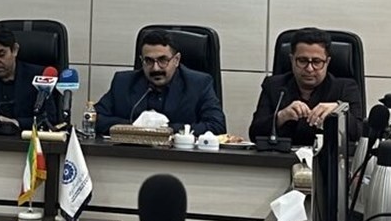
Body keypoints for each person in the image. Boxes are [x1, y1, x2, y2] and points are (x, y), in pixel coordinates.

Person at [95, 29, 226, 136]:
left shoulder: (198, 84)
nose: (155, 68)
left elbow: (217, 126)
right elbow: (94, 118)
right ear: (141, 60)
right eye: (149, 61)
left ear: (176, 60)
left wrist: (164, 129)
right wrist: (137, 127)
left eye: (163, 60)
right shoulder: (123, 83)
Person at [248, 27, 363, 145]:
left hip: (327, 156)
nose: (309, 69)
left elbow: (359, 134)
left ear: (327, 62)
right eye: (302, 61)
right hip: (282, 156)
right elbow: (254, 134)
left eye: (316, 62)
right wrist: (281, 117)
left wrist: (339, 113)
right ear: (292, 60)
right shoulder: (274, 86)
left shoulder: (345, 88)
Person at [0, 24, 57, 131]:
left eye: (1, 54)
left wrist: (16, 123)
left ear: (15, 50)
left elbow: (51, 120)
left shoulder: (40, 76)